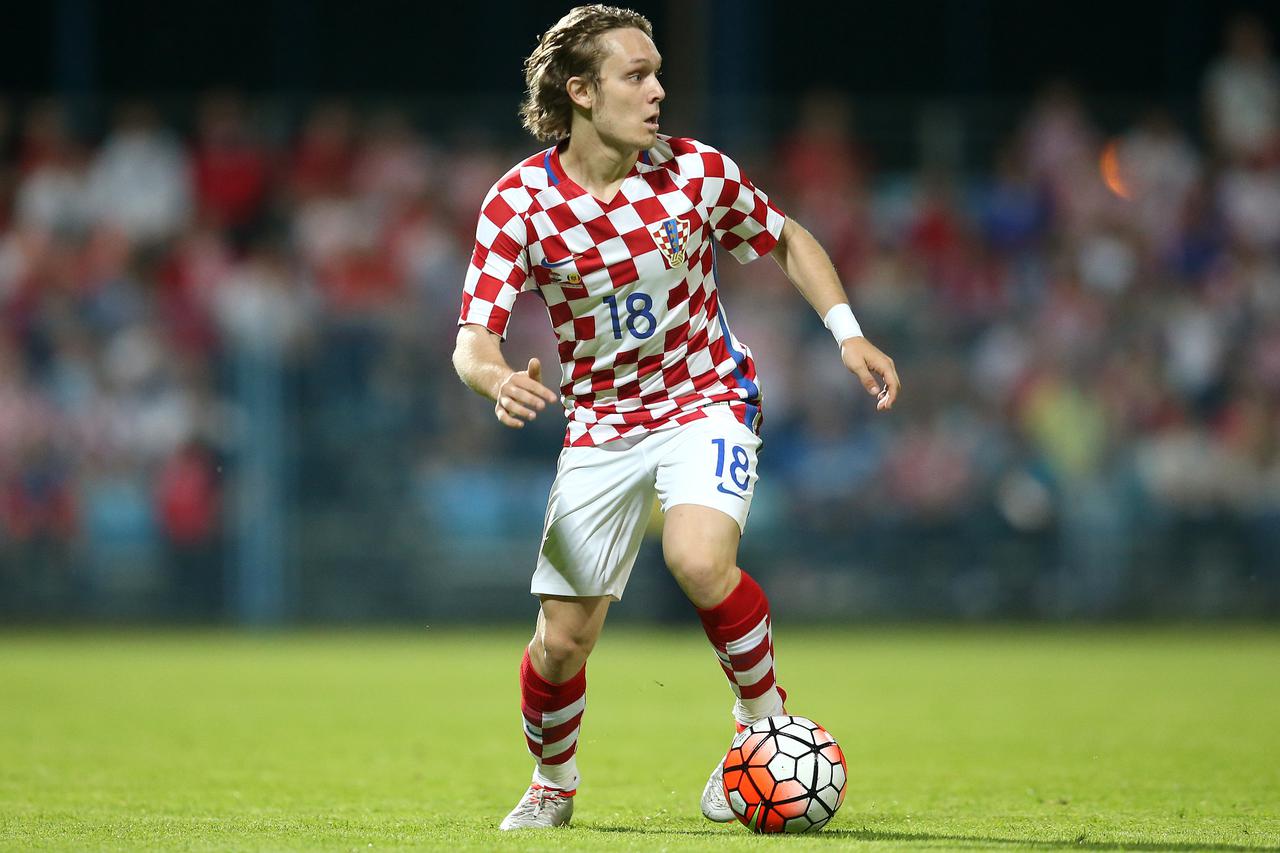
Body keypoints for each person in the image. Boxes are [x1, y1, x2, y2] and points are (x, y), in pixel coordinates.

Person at [451, 4, 900, 830]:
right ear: (581, 91)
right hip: (601, 424)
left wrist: (848, 333)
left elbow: (789, 237)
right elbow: (473, 336)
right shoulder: (518, 202)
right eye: (637, 75)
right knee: (561, 641)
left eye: (659, 73)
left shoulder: (696, 172)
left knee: (699, 557)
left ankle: (762, 730)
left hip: (708, 400)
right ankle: (553, 781)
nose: (659, 91)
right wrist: (494, 380)